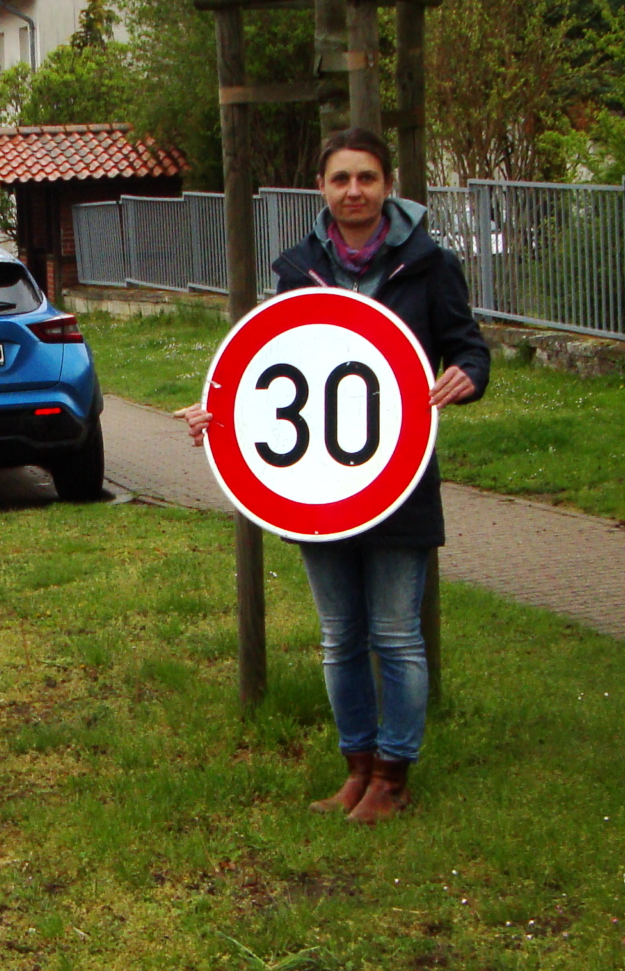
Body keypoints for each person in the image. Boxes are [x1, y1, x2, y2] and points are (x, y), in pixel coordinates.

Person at [180, 127, 490, 824]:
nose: (354, 191)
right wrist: (221, 413)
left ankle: (393, 777)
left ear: (388, 187)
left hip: (398, 480)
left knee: (396, 633)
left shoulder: (430, 264)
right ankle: (356, 768)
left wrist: (469, 373)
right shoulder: (298, 269)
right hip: (314, 488)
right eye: (341, 178)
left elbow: (469, 347)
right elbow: (276, 369)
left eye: (367, 178)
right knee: (340, 634)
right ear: (321, 188)